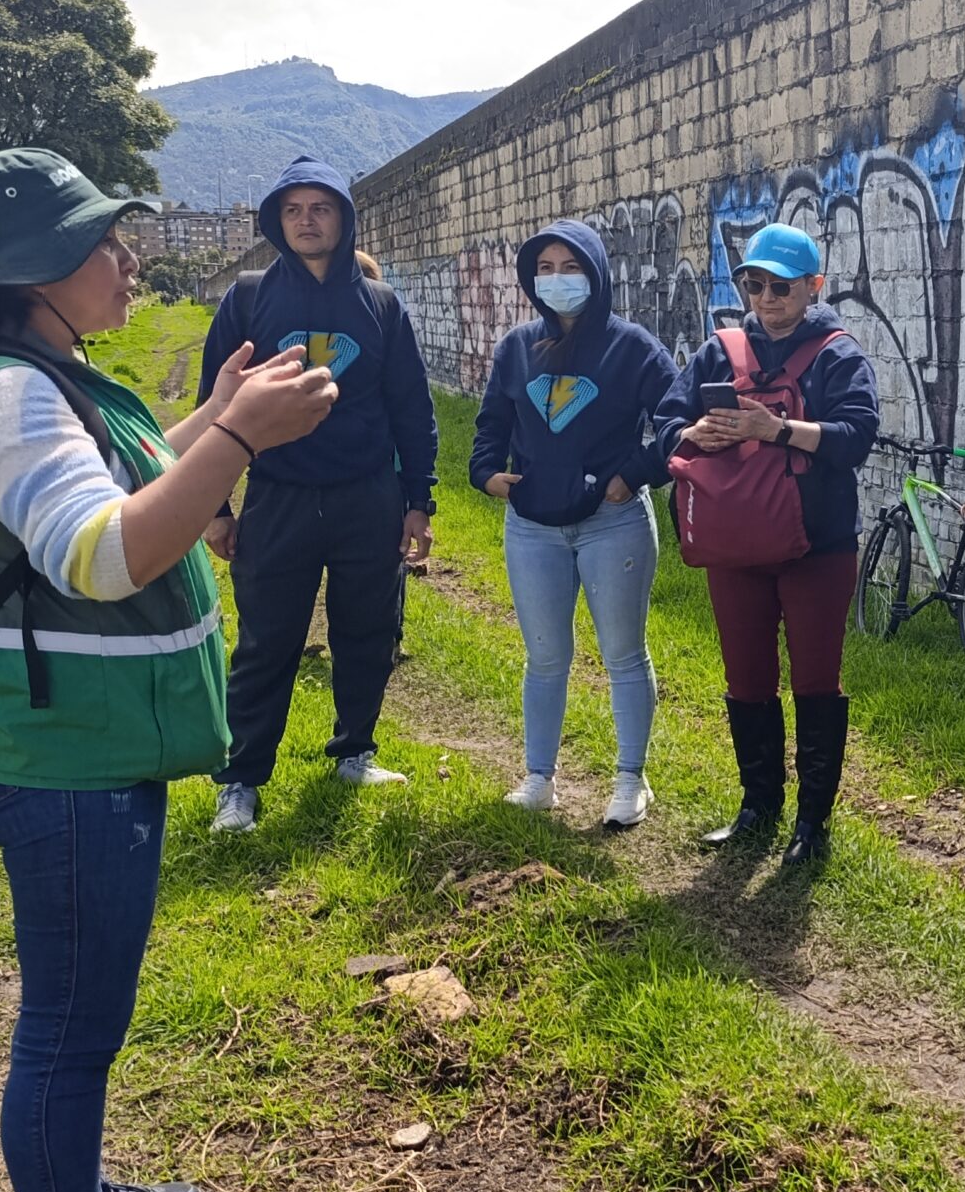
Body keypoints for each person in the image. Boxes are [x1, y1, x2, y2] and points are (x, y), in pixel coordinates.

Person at [0, 148, 337, 1192]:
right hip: (64, 763)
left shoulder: (31, 373)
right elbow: (107, 552)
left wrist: (212, 417)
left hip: (75, 749)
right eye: (105, 241)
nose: (128, 259)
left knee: (73, 1019)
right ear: (36, 268)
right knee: (69, 1030)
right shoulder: (3, 394)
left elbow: (122, 485)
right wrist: (240, 442)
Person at [199, 158, 439, 831]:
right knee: (265, 640)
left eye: (321, 209)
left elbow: (411, 409)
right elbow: (212, 403)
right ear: (278, 221)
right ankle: (241, 780)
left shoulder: (381, 306)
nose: (308, 222)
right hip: (279, 495)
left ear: (344, 217)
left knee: (368, 630)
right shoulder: (249, 299)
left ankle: (354, 749)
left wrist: (419, 499)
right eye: (294, 210)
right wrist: (216, 508)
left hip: (368, 496)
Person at [655, 224, 880, 864]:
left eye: (781, 286)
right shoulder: (718, 351)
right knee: (746, 677)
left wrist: (776, 428)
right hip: (735, 542)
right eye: (752, 283)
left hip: (818, 547)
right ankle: (758, 806)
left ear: (814, 287)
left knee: (815, 680)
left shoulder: (838, 355)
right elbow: (668, 423)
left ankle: (812, 824)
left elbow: (856, 437)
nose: (766, 297)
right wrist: (697, 430)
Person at [469, 219, 679, 827]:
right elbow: (491, 424)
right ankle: (538, 778)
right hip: (532, 527)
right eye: (546, 269)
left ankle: (630, 781)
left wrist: (633, 475)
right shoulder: (516, 348)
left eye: (571, 268)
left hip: (613, 525)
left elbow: (676, 422)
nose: (557, 280)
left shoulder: (632, 346)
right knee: (545, 657)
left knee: (623, 654)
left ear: (597, 274)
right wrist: (485, 474)